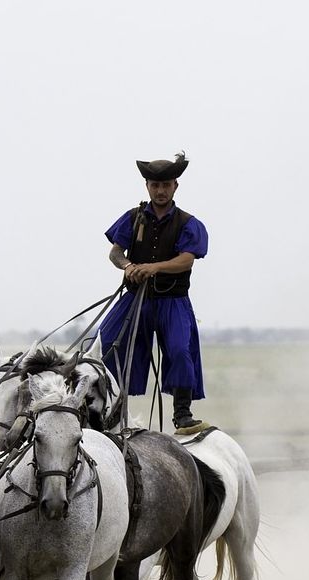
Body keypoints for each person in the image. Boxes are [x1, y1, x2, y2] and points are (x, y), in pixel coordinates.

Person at [97, 152, 209, 433]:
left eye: (166, 185)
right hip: (137, 300)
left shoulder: (188, 223)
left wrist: (152, 268)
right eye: (155, 185)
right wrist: (128, 266)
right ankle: (109, 409)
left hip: (173, 302)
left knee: (180, 351)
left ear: (175, 187)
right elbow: (115, 253)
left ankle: (182, 415)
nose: (160, 191)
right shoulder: (133, 218)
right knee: (106, 342)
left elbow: (187, 259)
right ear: (147, 186)